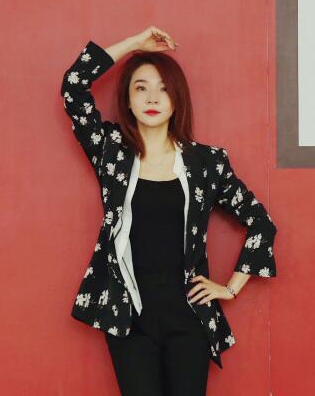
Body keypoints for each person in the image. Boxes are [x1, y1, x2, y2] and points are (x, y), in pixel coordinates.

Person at [60, 27, 278, 395]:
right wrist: (135, 44)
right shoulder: (111, 152)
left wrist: (231, 288)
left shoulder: (206, 163)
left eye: (163, 89)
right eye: (141, 88)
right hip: (128, 314)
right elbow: (73, 86)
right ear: (128, 100)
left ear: (177, 99)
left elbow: (261, 223)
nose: (152, 98)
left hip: (188, 315)